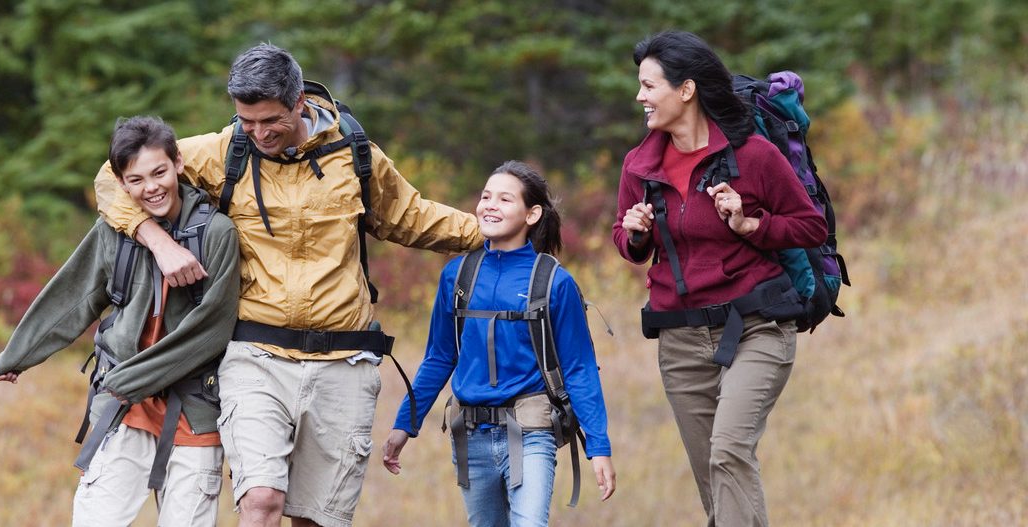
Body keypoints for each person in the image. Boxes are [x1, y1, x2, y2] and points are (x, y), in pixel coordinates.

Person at [92, 44, 482, 527]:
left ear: (300, 102)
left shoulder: (355, 155)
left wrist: (492, 231)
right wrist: (158, 242)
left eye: (270, 121)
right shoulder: (223, 151)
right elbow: (112, 179)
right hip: (257, 357)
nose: (257, 133)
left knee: (314, 519)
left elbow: (413, 217)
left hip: (345, 361)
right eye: (246, 121)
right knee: (260, 502)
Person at [612, 31, 828, 526]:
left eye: (649, 86)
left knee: (729, 451)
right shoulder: (640, 165)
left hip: (756, 326)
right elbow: (628, 244)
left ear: (686, 90)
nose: (639, 96)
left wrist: (751, 223)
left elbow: (810, 225)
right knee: (715, 481)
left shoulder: (752, 156)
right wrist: (636, 233)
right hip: (680, 339)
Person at [0, 116, 240, 527]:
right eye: (137, 179)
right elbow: (75, 294)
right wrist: (17, 355)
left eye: (160, 172)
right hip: (126, 407)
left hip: (195, 407)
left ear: (179, 163)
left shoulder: (217, 233)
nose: (152, 187)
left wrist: (128, 379)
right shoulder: (113, 230)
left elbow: (212, 327)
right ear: (121, 184)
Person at [382, 161, 616, 527]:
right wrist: (404, 425)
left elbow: (579, 368)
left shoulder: (554, 282)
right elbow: (439, 357)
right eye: (486, 196)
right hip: (470, 436)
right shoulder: (456, 276)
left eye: (505, 199)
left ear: (532, 213)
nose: (490, 205)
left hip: (532, 432)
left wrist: (598, 447)